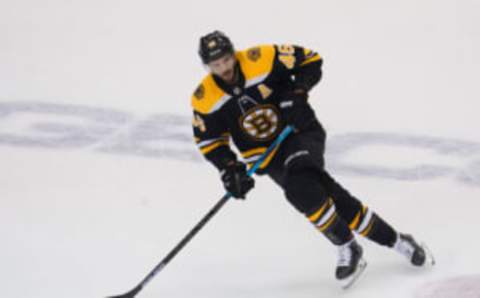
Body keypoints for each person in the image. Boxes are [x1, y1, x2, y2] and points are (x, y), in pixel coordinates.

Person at [191, 30, 432, 288]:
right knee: (325, 195)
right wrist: (229, 169)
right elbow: (210, 142)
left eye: (226, 60)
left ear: (233, 53)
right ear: (207, 66)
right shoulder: (204, 99)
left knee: (299, 186)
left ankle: (347, 245)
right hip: (269, 159)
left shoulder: (262, 58)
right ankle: (397, 241)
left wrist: (297, 93)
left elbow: (311, 60)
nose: (224, 68)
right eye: (216, 65)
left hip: (300, 132)